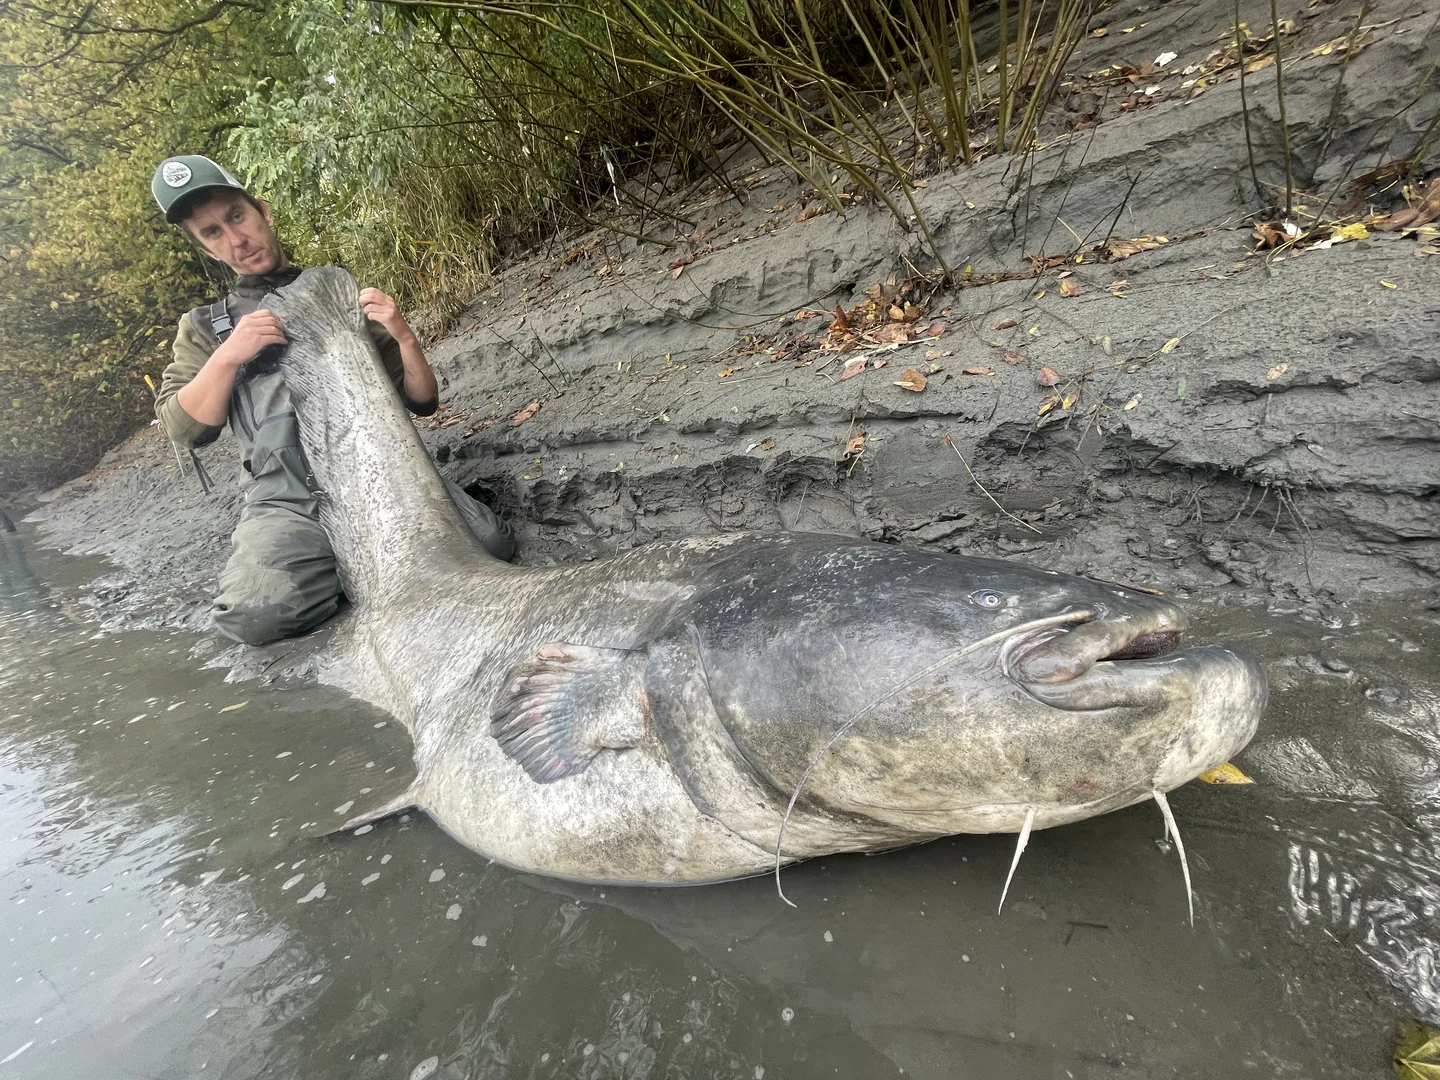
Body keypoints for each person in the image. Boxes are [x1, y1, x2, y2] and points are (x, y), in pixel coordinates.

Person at [150, 155, 515, 646]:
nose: (235, 240)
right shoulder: (202, 328)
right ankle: (335, 564)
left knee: (494, 545)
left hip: (381, 472)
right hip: (288, 498)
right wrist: (230, 355)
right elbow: (183, 428)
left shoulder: (338, 291)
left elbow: (422, 403)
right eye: (212, 233)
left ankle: (345, 566)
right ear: (207, 249)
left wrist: (404, 336)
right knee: (254, 617)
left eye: (237, 217)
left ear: (263, 210)